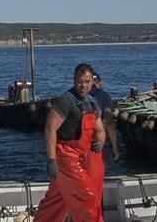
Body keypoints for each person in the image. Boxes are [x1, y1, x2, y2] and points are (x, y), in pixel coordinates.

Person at [36, 63, 106, 222]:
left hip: (80, 158)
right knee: (88, 199)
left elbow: (100, 129)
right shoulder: (65, 101)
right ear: (74, 80)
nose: (83, 85)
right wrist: (51, 160)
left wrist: (101, 142)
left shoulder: (92, 102)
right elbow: (49, 129)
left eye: (87, 81)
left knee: (55, 202)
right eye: (80, 81)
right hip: (66, 158)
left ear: (92, 81)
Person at [90, 73, 120, 161]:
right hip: (95, 140)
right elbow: (109, 121)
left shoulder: (76, 95)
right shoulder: (104, 95)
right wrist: (115, 147)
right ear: (99, 83)